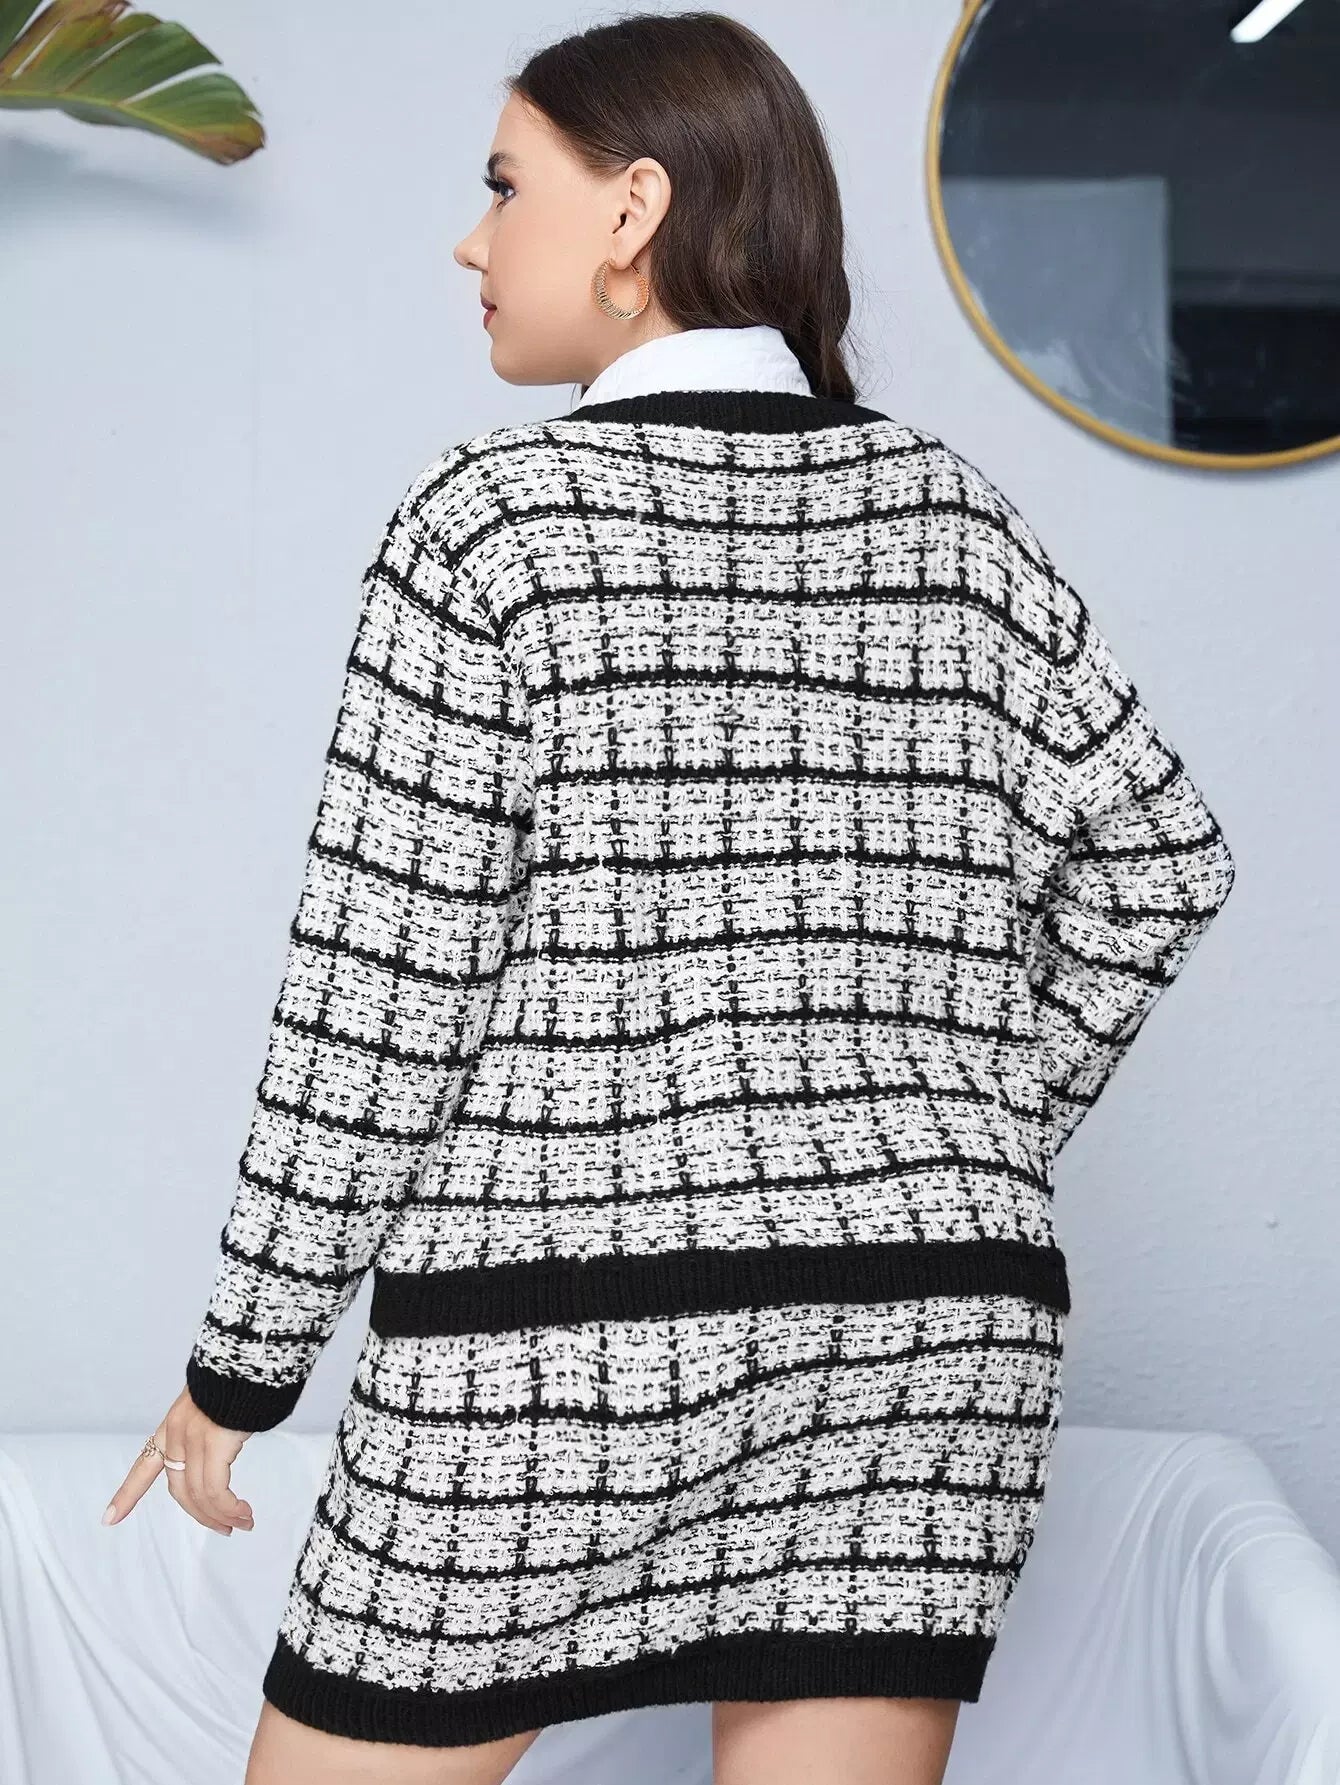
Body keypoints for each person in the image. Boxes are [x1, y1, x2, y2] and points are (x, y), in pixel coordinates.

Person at [104, 13, 1236, 1785]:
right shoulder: (950, 518)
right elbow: (1163, 857)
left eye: (504, 188)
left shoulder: (494, 524)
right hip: (926, 1334)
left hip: (555, 1333)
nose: (470, 241)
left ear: (632, 211)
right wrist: (963, 1128)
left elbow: (378, 1009)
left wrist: (240, 1367)